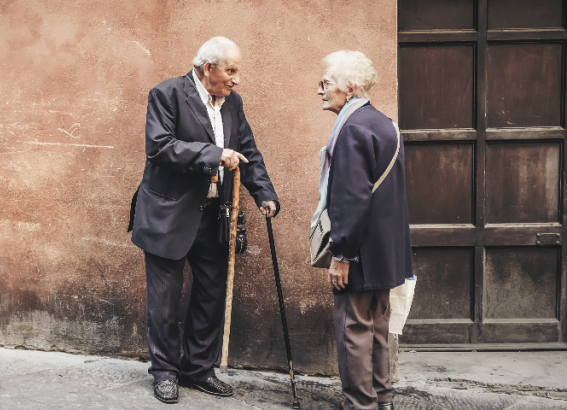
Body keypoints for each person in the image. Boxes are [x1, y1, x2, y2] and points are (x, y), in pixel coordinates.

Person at [128, 36, 280, 404]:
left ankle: (198, 368)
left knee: (211, 295)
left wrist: (265, 194)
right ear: (208, 68)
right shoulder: (166, 94)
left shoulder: (233, 103)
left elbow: (248, 151)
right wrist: (214, 154)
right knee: (163, 301)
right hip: (168, 215)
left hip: (214, 216)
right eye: (231, 70)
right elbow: (161, 147)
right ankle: (165, 372)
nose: (236, 79)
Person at [313, 50, 413, 410]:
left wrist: (342, 255)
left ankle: (361, 405)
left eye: (326, 83)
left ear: (350, 88)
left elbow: (352, 199)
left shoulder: (352, 128)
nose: (320, 89)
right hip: (384, 252)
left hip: (359, 254)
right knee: (378, 330)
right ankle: (382, 401)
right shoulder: (383, 122)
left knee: (354, 330)